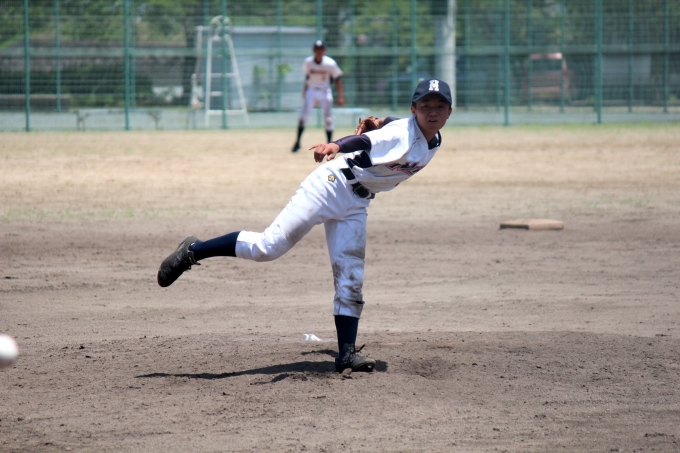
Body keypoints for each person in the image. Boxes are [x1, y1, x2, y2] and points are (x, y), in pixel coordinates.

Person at [157, 78, 453, 373]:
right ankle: (192, 250)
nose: (432, 112)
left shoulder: (432, 138)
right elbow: (364, 141)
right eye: (425, 105)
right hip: (331, 185)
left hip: (357, 203)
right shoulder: (403, 133)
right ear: (413, 109)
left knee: (351, 277)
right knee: (267, 247)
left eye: (439, 107)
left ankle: (347, 355)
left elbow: (389, 125)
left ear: (449, 112)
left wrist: (381, 121)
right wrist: (335, 144)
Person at [291, 40, 344, 153]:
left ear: (325, 51)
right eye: (317, 49)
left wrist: (340, 96)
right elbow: (307, 76)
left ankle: (329, 145)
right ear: (314, 50)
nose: (319, 51)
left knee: (328, 119)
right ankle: (297, 142)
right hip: (311, 90)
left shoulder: (330, 63)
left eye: (321, 49)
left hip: (325, 91)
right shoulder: (308, 62)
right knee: (303, 117)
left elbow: (337, 78)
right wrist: (305, 90)